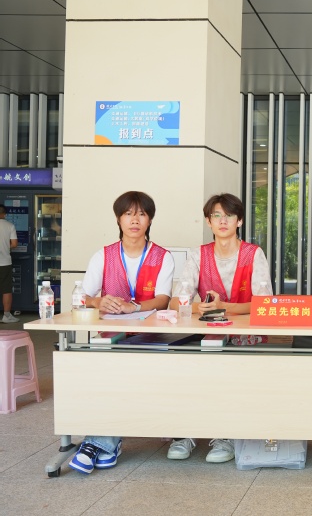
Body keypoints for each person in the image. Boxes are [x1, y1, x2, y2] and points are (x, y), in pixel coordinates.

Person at [69, 191, 175, 474]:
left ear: (149, 220)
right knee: (106, 375)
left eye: (141, 214)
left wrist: (134, 306)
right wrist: (97, 302)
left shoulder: (162, 257)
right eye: (128, 214)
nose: (134, 220)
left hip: (151, 337)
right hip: (111, 336)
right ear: (118, 219)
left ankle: (99, 443)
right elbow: (80, 297)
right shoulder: (103, 255)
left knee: (119, 377)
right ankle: (105, 443)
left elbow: (163, 299)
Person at [166, 193, 272, 463]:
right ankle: (186, 432)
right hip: (208, 335)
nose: (223, 221)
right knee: (189, 373)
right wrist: (196, 307)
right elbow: (177, 301)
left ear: (240, 221)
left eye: (229, 215)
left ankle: (226, 435)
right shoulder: (198, 255)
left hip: (246, 338)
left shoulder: (253, 254)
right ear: (208, 221)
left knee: (231, 380)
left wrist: (224, 307)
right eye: (217, 215)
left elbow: (265, 304)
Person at [0, 205, 19, 323]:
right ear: (4, 214)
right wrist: (6, 247)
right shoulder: (9, 226)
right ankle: (6, 316)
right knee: (6, 289)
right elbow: (14, 244)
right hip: (4, 262)